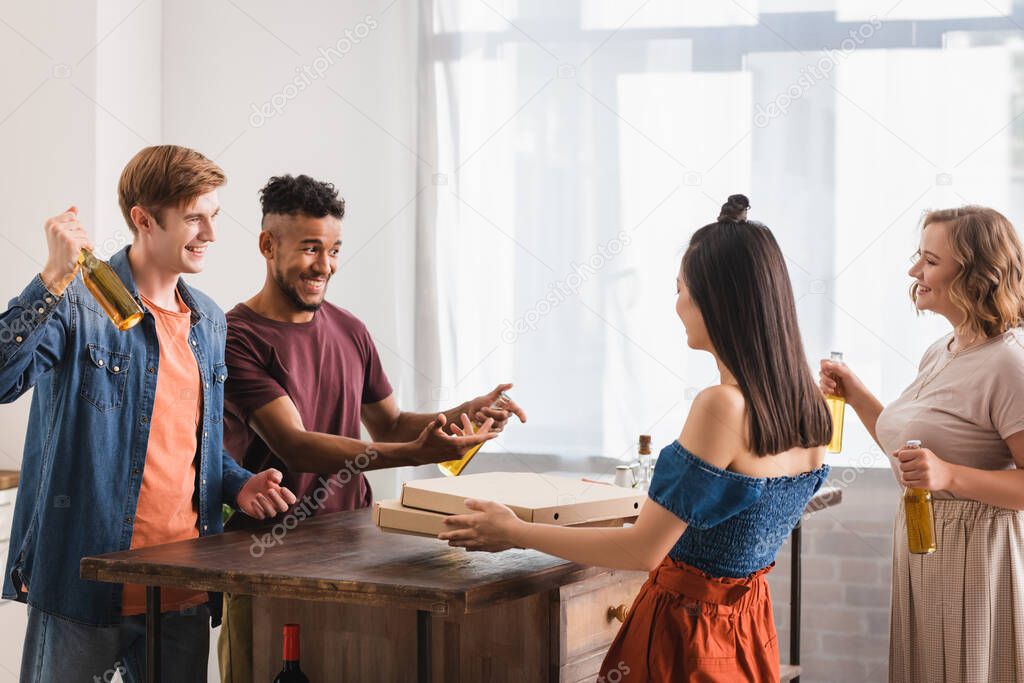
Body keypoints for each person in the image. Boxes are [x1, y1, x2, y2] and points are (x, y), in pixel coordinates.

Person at [441, 195, 831, 682]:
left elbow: (642, 551)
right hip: (748, 630)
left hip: (686, 637)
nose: (677, 305)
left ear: (716, 299)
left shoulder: (721, 405)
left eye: (681, 288)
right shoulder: (811, 409)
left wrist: (513, 532)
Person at [0, 145, 295, 683]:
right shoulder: (77, 301)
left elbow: (187, 441)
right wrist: (50, 278)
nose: (210, 233)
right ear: (143, 219)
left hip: (180, 588)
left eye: (214, 217)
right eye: (194, 218)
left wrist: (239, 485)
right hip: (82, 586)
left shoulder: (207, 319)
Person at [217, 173, 527, 682]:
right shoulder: (237, 336)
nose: (325, 265)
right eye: (311, 248)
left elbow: (392, 424)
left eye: (335, 249)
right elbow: (295, 446)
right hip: (266, 556)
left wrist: (467, 411)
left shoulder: (350, 329)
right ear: (267, 245)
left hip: (353, 545)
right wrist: (415, 454)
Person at [819, 205, 1024, 683]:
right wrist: (856, 395)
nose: (915, 272)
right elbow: (912, 453)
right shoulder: (943, 350)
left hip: (979, 558)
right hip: (924, 547)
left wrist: (950, 476)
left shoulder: (1009, 364)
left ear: (976, 274)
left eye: (930, 260)